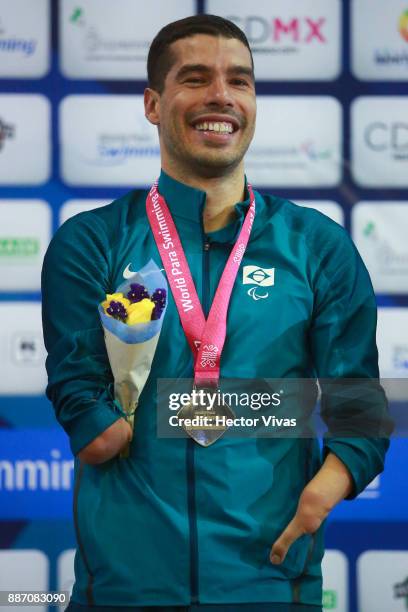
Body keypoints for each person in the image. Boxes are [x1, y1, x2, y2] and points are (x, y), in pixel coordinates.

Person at [41, 14, 391, 612]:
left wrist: (322, 494)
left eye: (240, 81)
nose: (221, 96)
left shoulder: (316, 245)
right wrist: (120, 420)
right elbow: (88, 418)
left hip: (272, 586)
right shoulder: (92, 242)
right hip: (126, 592)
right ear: (153, 104)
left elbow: (360, 403)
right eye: (196, 78)